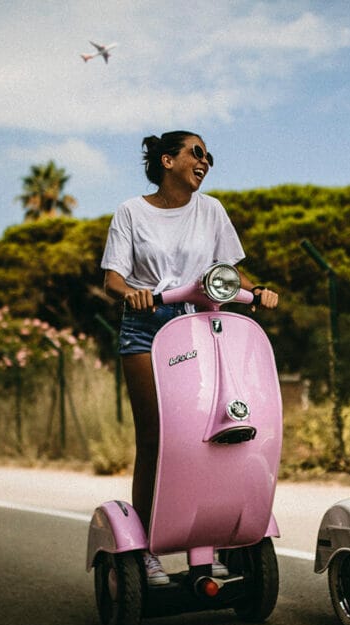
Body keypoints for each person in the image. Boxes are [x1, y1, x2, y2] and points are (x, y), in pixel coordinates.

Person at [100, 131, 279, 586]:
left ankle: (212, 538)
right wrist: (135, 294)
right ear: (167, 160)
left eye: (209, 156)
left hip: (204, 325)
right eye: (196, 153)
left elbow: (230, 273)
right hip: (148, 326)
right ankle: (146, 550)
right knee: (158, 440)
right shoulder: (131, 212)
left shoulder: (212, 210)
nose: (205, 161)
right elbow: (113, 279)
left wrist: (256, 292)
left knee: (212, 434)